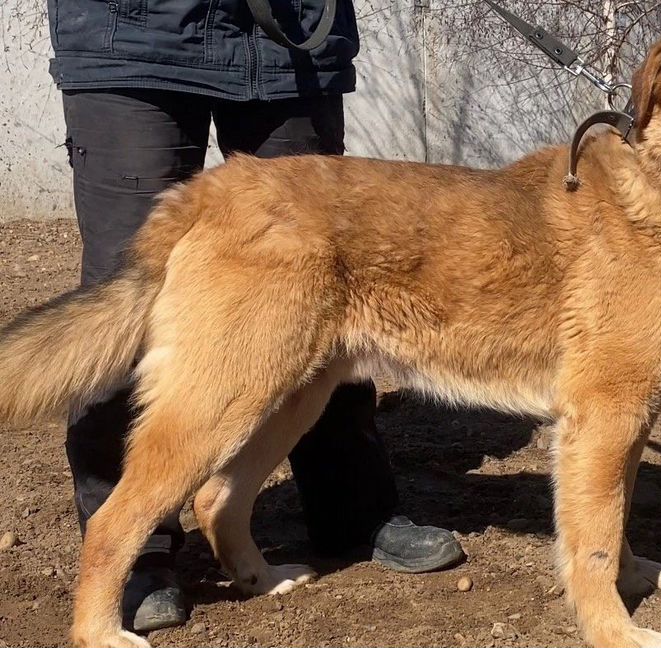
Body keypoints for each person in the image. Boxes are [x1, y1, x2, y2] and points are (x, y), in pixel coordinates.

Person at [46, 0, 464, 633]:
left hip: (288, 40)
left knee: (338, 291)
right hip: (130, 35)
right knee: (129, 296)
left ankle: (351, 513)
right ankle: (134, 557)